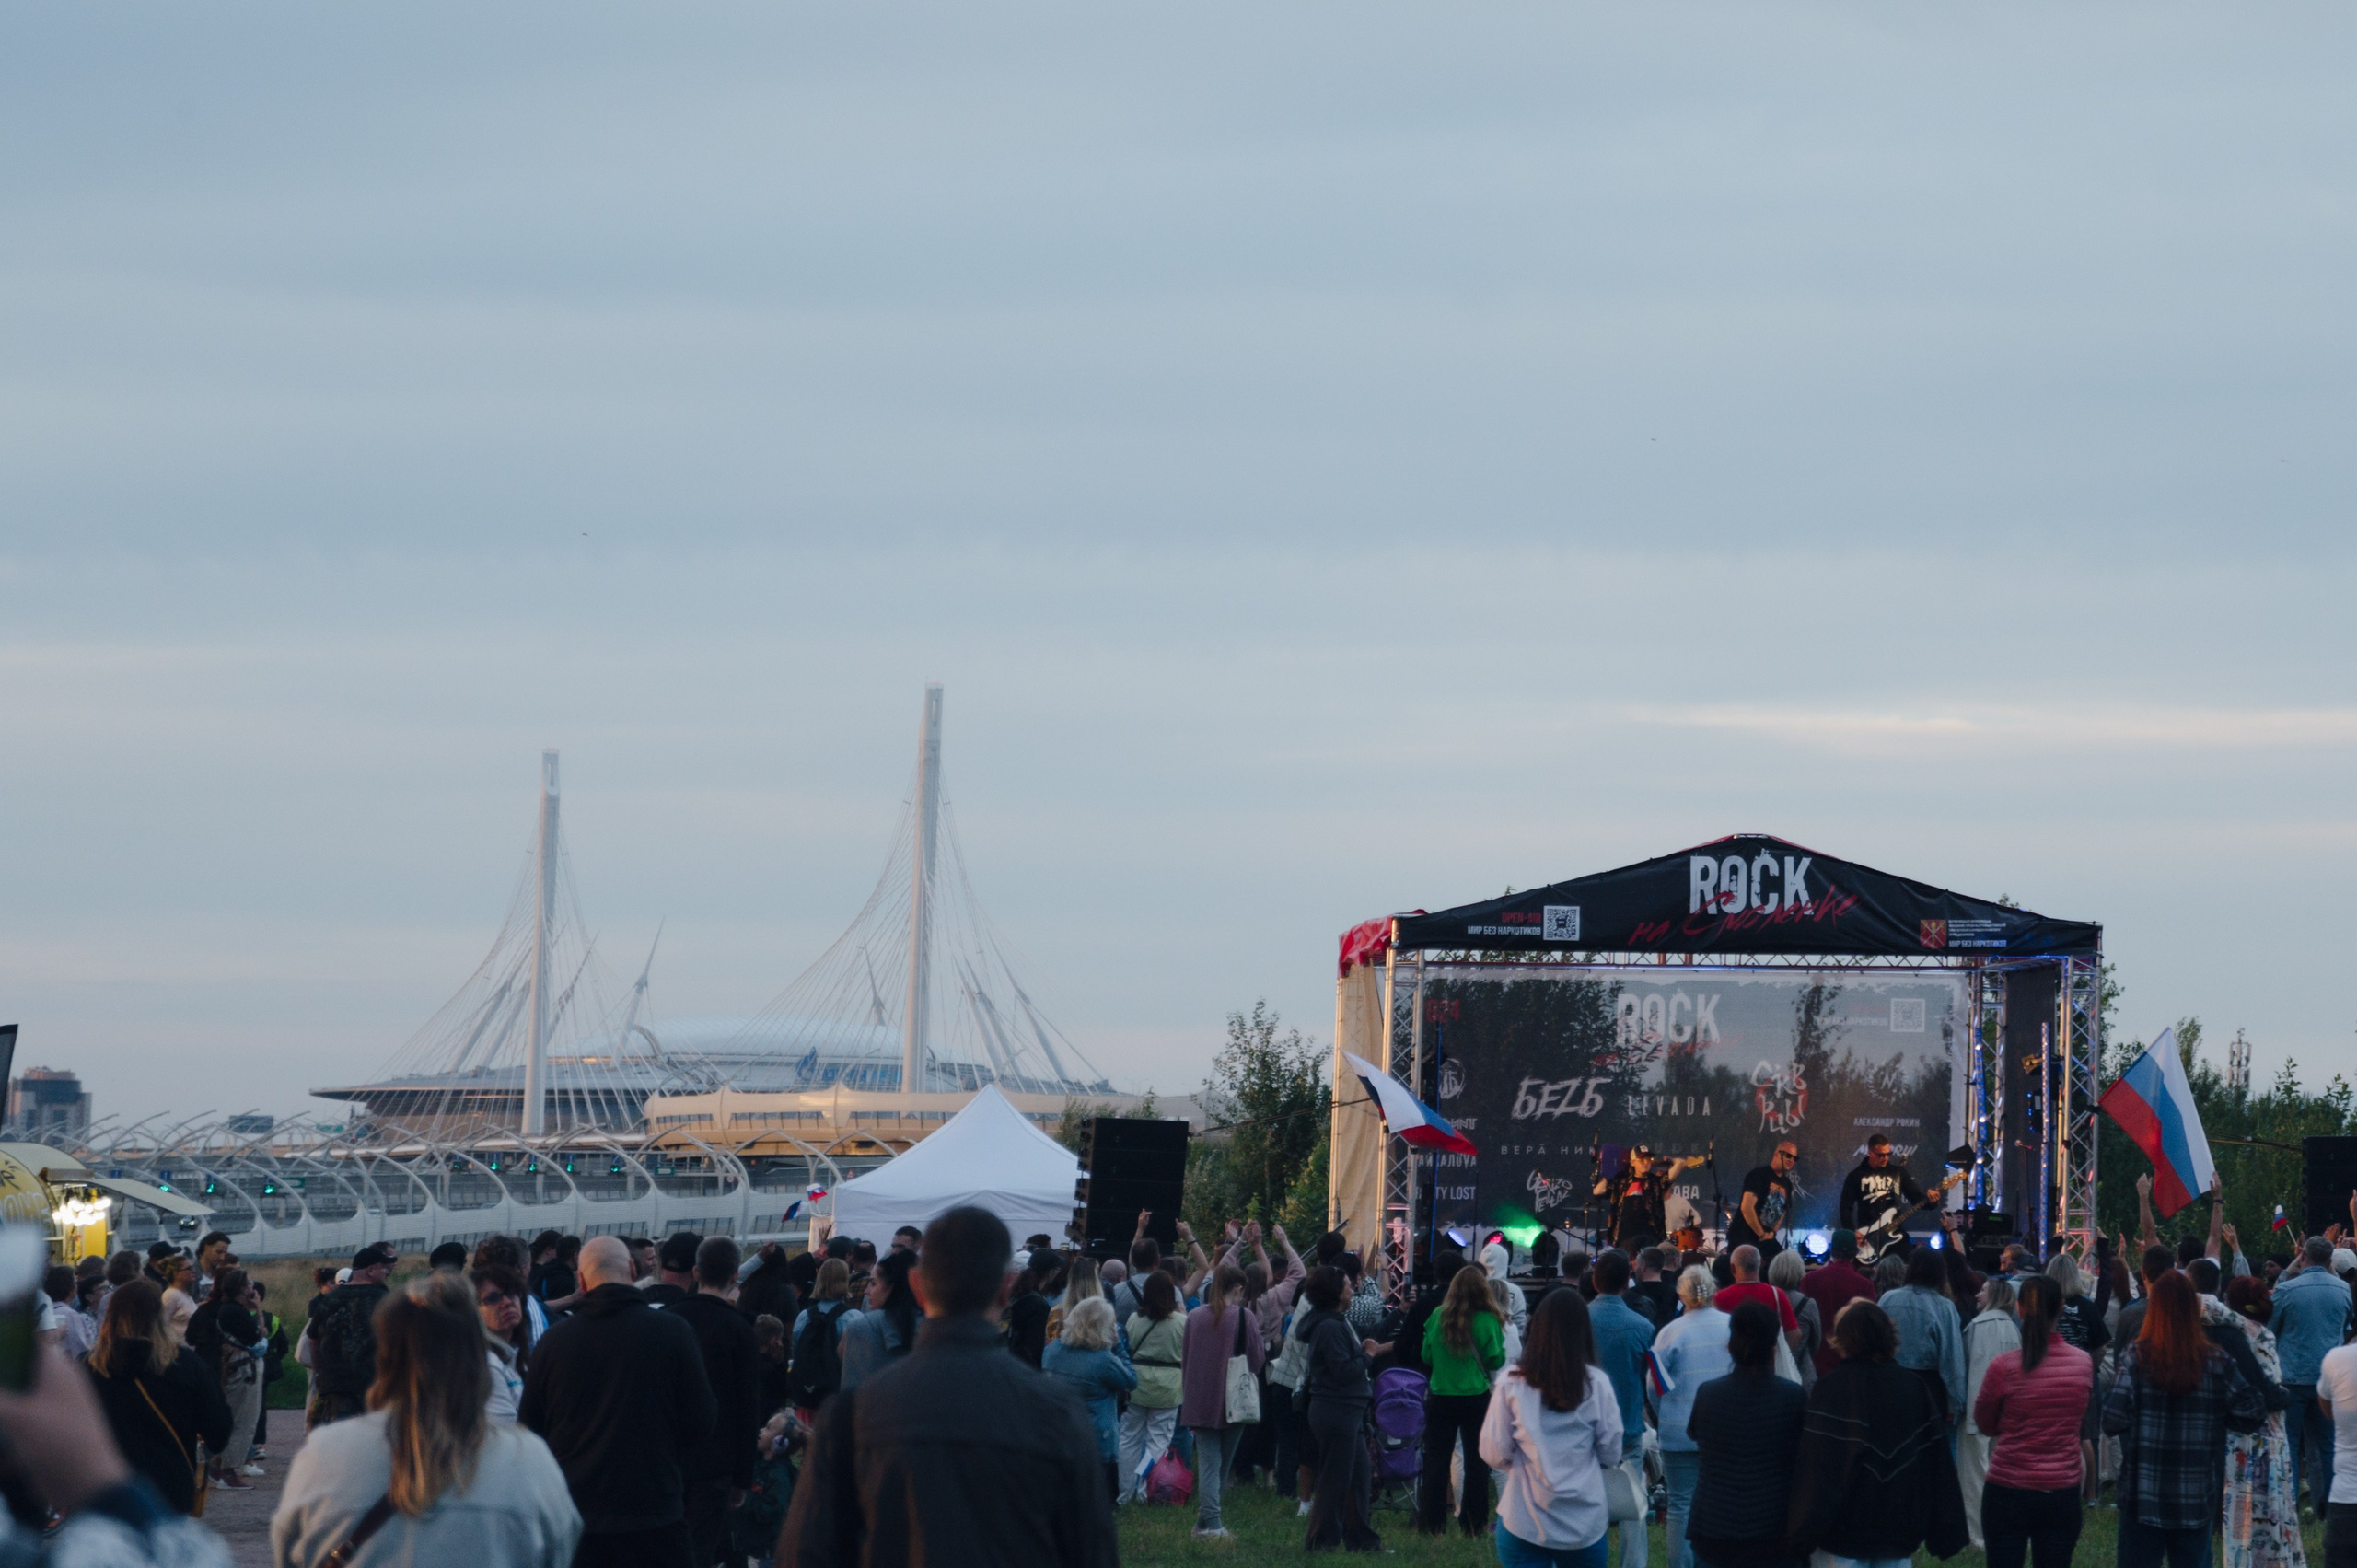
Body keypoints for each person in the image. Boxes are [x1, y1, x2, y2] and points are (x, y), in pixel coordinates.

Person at [777, 1204, 1117, 1568]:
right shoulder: (1057, 1412)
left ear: (917, 1287)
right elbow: (1091, 1553)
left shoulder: (852, 1416)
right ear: (1006, 1291)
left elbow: (805, 1553)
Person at [272, 1272, 579, 1567]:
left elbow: (289, 1553)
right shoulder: (529, 1460)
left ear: (384, 1357)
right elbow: (561, 1550)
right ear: (477, 1357)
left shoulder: (323, 1455)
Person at [519, 1235, 716, 1568]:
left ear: (581, 1280)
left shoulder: (554, 1344)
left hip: (578, 1522)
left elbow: (529, 1434)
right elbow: (702, 1420)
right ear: (631, 1268)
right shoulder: (673, 1332)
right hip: (656, 1515)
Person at [1789, 1300, 1968, 1564]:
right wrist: (1946, 1531)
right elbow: (1935, 1461)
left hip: (1843, 1531)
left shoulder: (1830, 1390)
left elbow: (1817, 1466)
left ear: (1843, 1339)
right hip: (1897, 1528)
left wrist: (1801, 1532)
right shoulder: (1913, 1388)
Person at [2106, 1270, 2265, 1568]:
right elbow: (2253, 1409)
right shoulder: (2217, 1361)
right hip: (2195, 1493)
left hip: (2143, 1492)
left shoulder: (2135, 1357)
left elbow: (2112, 1419)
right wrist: (2218, 1419)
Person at [1479, 1285, 1622, 1568]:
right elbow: (1611, 1453)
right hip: (1583, 1522)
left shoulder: (1511, 1382)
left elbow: (1494, 1451)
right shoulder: (1597, 1384)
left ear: (1537, 1328)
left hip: (1524, 1517)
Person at [1973, 1275, 2097, 1568]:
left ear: (2019, 1309)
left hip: (2008, 1487)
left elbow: (1985, 1424)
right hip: (2061, 1488)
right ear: (2062, 1308)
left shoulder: (2003, 1367)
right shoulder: (2082, 1364)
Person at [83, 1280, 232, 1516]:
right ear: (158, 1315)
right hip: (169, 1486)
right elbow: (218, 1430)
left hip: (103, 1487)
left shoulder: (87, 1368)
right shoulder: (184, 1364)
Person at [1686, 1300, 1808, 1568]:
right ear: (1773, 1349)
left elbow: (1695, 1434)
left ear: (1731, 1346)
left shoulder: (1708, 1394)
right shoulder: (1792, 1397)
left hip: (1714, 1527)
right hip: (1773, 1530)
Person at [668, 1236, 761, 1566]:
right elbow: (748, 1408)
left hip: (668, 1457)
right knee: (700, 1551)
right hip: (717, 1461)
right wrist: (742, 1476)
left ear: (695, 1272)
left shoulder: (668, 1320)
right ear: (735, 1276)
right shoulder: (741, 1331)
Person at [2216, 1275, 2304, 1568]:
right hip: (2273, 1437)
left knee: (2244, 1508)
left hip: (2245, 1437)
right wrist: (2283, 1396)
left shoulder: (2236, 1334)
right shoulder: (2263, 1335)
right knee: (2273, 1507)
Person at [1293, 1264, 1380, 1550]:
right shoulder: (1330, 1327)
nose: (1352, 1289)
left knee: (1358, 1479)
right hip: (1336, 1410)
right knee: (1334, 1481)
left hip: (1347, 1411)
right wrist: (1367, 1356)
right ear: (1336, 1293)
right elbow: (1342, 1372)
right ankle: (1320, 1542)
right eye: (1347, 1285)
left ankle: (1361, 1539)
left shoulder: (1335, 1321)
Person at [1419, 1260, 1507, 1537]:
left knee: (1436, 1462)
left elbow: (1426, 1356)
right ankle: (1473, 1522)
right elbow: (1495, 1360)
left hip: (1441, 1396)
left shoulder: (1437, 1316)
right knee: (1476, 1463)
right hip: (1475, 1397)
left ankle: (1432, 1523)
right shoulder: (1487, 1319)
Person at [1654, 1265, 1732, 1568]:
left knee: (1680, 1505)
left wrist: (1665, 1415)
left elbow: (1655, 1385)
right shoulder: (1730, 1326)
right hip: (1722, 1431)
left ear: (1680, 1294)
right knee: (1719, 1503)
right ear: (1714, 1290)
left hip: (1677, 1430)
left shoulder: (1669, 1333)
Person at [1180, 1261, 1263, 1539]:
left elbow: (1187, 1357)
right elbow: (1258, 1359)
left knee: (1208, 1461)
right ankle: (1212, 1525)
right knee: (1221, 1464)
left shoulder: (1194, 1316)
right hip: (1233, 1398)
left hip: (1199, 1395)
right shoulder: (1243, 1317)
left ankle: (1203, 1524)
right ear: (1238, 1288)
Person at [1585, 1250, 1656, 1568]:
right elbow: (1654, 1381)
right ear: (1627, 1282)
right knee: (1634, 1505)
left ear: (1595, 1281)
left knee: (1585, 1503)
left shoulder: (1578, 1321)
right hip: (1627, 1425)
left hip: (1583, 1428)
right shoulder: (1642, 1326)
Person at [2272, 1235, 2350, 1515]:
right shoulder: (2342, 1290)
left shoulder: (2286, 1290)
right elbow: (2345, 1327)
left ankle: (2289, 1508)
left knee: (2290, 1447)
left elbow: (2271, 1328)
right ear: (2330, 1261)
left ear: (2302, 1256)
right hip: (2328, 1380)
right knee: (2328, 1447)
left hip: (2291, 1379)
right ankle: (2330, 1509)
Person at [1042, 1297, 1137, 1501]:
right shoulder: (1103, 1360)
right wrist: (1118, 1346)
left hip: (1058, 1434)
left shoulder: (1052, 1351)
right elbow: (1130, 1380)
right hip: (1095, 1439)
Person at [184, 1266, 263, 1493]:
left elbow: (190, 1336)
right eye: (248, 1283)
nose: (252, 1287)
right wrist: (256, 1310)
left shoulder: (206, 1310)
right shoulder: (234, 1311)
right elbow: (257, 1336)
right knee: (242, 1420)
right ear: (238, 1287)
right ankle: (228, 1470)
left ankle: (217, 1466)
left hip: (212, 1370)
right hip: (237, 1370)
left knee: (223, 1418)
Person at [1960, 1276, 2024, 1549]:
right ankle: (2008, 1530)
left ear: (1995, 1295)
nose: (1977, 1294)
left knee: (1974, 1477)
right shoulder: (2013, 1329)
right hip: (2009, 1413)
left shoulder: (1975, 1327)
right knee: (2006, 1475)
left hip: (1976, 1410)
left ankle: (1977, 1537)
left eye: (1983, 1291)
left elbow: (1961, 1366)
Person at [1115, 1268, 1188, 1504]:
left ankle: (1124, 1494)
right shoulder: (1181, 1322)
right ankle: (1146, 1491)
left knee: (1128, 1440)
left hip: (1136, 1384)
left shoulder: (1135, 1319)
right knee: (1158, 1444)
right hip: (1168, 1387)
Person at [307, 1243, 396, 1427]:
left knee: (337, 1444)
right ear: (371, 1270)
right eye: (383, 1268)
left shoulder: (329, 1299)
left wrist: (320, 1373)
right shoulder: (384, 1300)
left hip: (334, 1389)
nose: (387, 1272)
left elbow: (313, 1339)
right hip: (372, 1388)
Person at [1881, 1244, 1966, 1430]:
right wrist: (1958, 1400)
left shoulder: (1888, 1299)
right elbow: (1952, 1355)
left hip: (1890, 1381)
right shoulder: (1944, 1306)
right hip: (1928, 1386)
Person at [1797, 1230, 1879, 1378]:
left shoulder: (1810, 1280)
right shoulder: (1865, 1285)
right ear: (1855, 1252)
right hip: (1852, 1366)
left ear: (1831, 1250)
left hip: (1816, 1364)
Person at [1595, 1145, 1706, 1253]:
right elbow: (1597, 1191)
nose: (1646, 1163)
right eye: (1641, 1160)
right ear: (1632, 1162)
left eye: (1649, 1159)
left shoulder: (1656, 1182)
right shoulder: (1621, 1182)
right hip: (1624, 1237)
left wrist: (1670, 1161)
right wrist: (1608, 1174)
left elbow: (1680, 1163)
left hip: (1649, 1237)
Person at [839, 1249, 920, 1393]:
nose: (867, 1291)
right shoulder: (938, 1327)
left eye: (873, 1284)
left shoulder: (860, 1328)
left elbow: (850, 1394)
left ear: (892, 1288)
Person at [788, 1259, 858, 1409]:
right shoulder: (853, 1318)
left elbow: (795, 1350)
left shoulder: (804, 1317)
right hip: (837, 1398)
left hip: (805, 1397)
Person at [1837, 1134, 1925, 1249]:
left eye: (1888, 1154)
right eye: (1881, 1155)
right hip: (1868, 1236)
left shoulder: (1897, 1173)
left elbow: (1916, 1198)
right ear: (1870, 1152)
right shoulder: (1856, 1176)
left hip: (1894, 1235)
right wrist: (1852, 1233)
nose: (1885, 1158)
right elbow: (1845, 1207)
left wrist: (1931, 1200)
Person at [472, 1264, 528, 1422]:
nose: (506, 1302)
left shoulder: (518, 1354)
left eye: (511, 1293)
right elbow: (508, 1429)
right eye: (493, 1299)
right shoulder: (485, 1365)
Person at [1729, 1141, 1800, 1260]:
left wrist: (1772, 1233)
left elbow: (1782, 1212)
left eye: (1795, 1158)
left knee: (1783, 1264)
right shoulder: (1758, 1175)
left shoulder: (1787, 1183)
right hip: (1745, 1237)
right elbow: (1746, 1207)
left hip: (1767, 1238)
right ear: (1777, 1153)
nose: (1791, 1160)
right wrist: (1761, 1234)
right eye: (1788, 1155)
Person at [1766, 1250, 1820, 1390]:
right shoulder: (1808, 1304)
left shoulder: (1765, 1300)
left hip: (1772, 1374)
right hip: (1802, 1375)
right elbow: (1816, 1344)